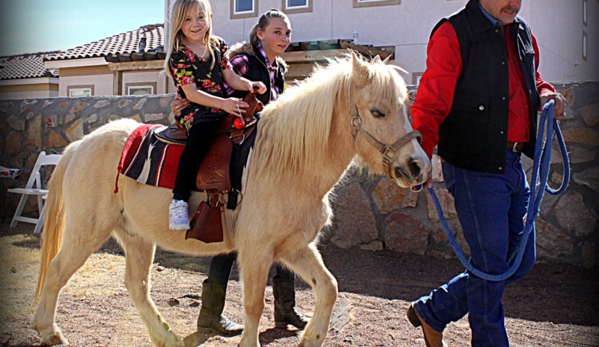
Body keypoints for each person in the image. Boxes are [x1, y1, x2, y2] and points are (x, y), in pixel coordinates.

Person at [407, 1, 567, 346]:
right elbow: (430, 102)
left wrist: (545, 93)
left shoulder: (522, 32)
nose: (514, 2)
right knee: (492, 266)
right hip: (472, 167)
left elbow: (532, 78)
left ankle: (434, 311)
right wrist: (420, 157)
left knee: (519, 261)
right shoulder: (452, 33)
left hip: (510, 164)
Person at [171, 9, 309, 336]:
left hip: (271, 156)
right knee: (235, 229)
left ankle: (285, 310)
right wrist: (184, 101)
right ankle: (210, 314)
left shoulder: (279, 70)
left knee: (281, 230)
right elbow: (225, 92)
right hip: (245, 153)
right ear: (260, 33)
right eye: (277, 31)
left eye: (287, 33)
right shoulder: (243, 59)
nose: (284, 39)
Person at [165, 0, 266, 231]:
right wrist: (224, 103)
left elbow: (230, 77)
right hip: (196, 108)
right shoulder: (180, 54)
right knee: (200, 136)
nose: (195, 24)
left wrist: (249, 84)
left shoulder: (217, 45)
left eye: (200, 17)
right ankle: (179, 198)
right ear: (179, 23)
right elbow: (191, 93)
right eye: (188, 19)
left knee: (253, 125)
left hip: (223, 104)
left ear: (210, 16)